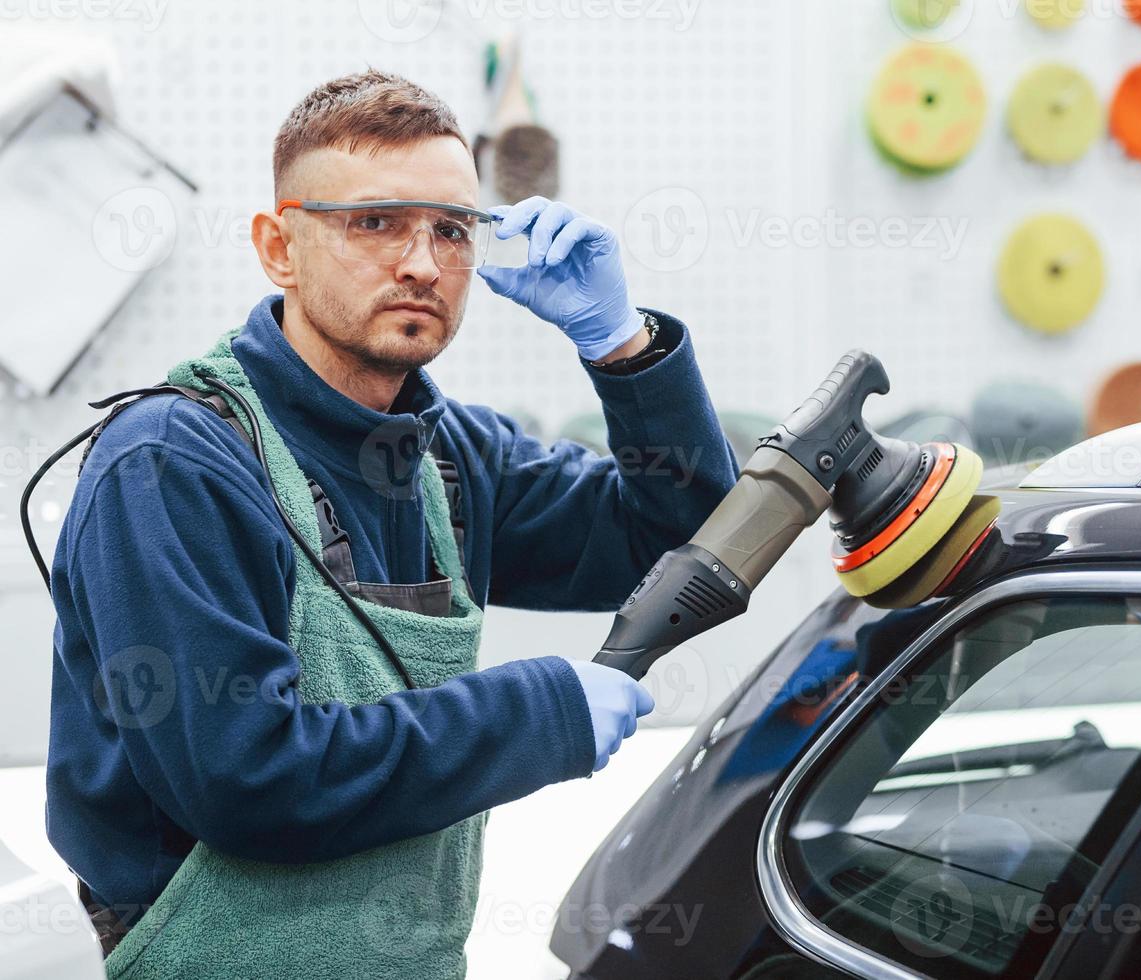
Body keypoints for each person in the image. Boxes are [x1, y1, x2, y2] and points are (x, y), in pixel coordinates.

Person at [44, 69, 737, 978]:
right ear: (278, 248)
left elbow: (678, 537)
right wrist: (535, 712)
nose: (421, 262)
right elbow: (244, 778)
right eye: (375, 222)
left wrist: (623, 348)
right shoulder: (174, 462)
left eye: (451, 229)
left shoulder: (454, 458)